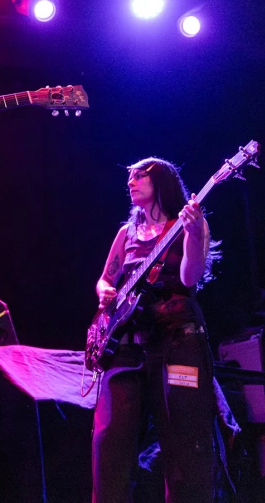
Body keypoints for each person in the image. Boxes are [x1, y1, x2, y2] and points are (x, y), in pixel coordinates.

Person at [91, 158, 218, 503]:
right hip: (126, 348)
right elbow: (106, 278)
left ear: (160, 181)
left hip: (178, 343)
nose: (130, 183)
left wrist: (192, 234)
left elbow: (190, 279)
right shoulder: (126, 233)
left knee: (183, 440)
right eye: (129, 178)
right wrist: (104, 291)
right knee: (109, 443)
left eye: (138, 176)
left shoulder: (190, 223)